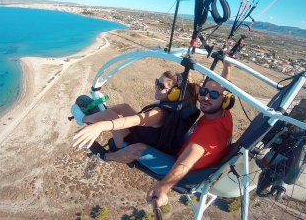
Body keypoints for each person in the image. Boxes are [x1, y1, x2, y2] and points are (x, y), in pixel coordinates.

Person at [145, 60, 233, 207]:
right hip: (195, 161)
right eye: (204, 92)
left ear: (225, 100)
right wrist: (227, 66)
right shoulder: (224, 113)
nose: (206, 97)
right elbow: (224, 86)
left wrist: (163, 188)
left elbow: (185, 165)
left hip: (184, 173)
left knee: (137, 149)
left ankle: (105, 155)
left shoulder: (207, 134)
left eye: (213, 95)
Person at [72, 71, 200, 163]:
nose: (156, 87)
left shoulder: (158, 114)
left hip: (127, 143)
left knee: (108, 115)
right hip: (144, 134)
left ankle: (82, 118)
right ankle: (101, 113)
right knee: (124, 107)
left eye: (161, 86)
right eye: (157, 82)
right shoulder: (178, 104)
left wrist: (101, 125)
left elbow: (133, 120)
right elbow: (195, 88)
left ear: (175, 93)